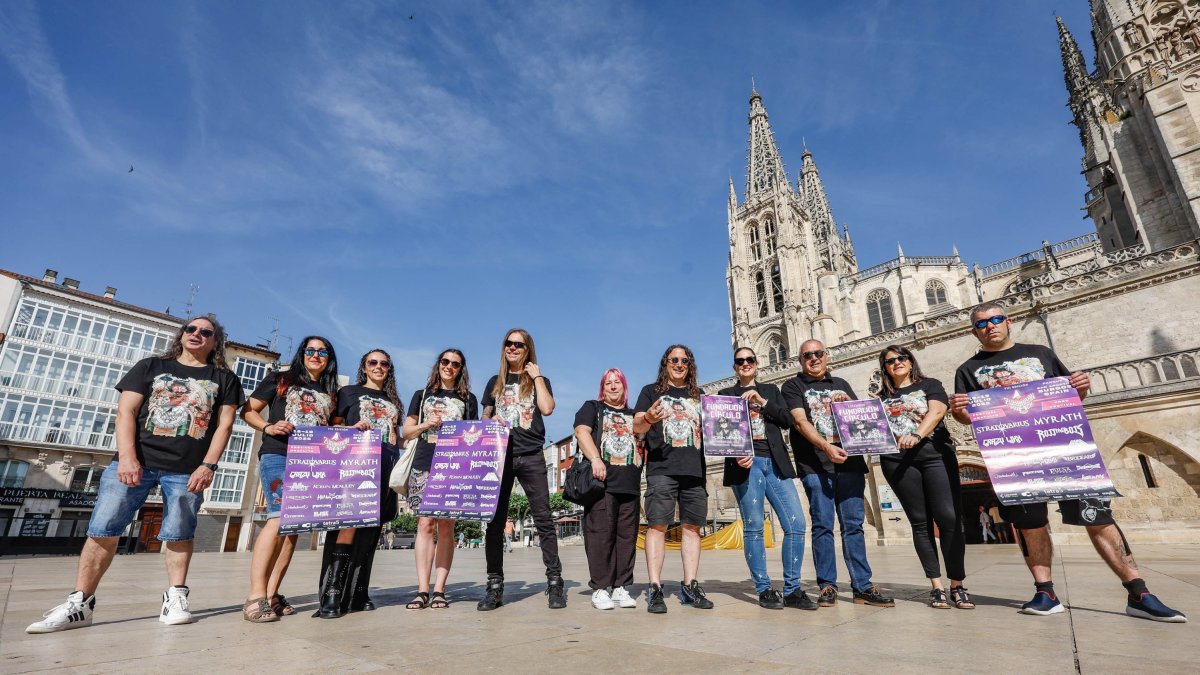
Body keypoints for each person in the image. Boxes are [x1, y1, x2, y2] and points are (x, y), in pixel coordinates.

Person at [950, 301, 1186, 622]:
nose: (990, 326)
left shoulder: (1041, 353)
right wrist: (960, 410)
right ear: (973, 331)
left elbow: (1069, 398)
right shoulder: (967, 370)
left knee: (1097, 517)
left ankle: (1139, 592)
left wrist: (1082, 387)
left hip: (1064, 449)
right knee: (1030, 524)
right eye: (982, 323)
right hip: (1015, 457)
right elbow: (967, 418)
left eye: (996, 319)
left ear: (1009, 321)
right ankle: (1045, 591)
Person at [27, 317, 244, 633]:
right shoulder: (150, 366)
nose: (196, 334)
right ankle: (80, 604)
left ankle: (175, 599)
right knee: (104, 528)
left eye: (206, 332)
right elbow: (125, 412)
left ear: (215, 342)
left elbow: (225, 426)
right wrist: (128, 458)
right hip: (136, 462)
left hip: (187, 468)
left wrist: (208, 465)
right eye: (191, 329)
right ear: (182, 335)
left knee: (180, 532)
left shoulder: (223, 379)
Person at [782, 339, 894, 608]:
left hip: (850, 464)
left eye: (818, 353)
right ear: (800, 360)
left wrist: (848, 406)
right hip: (816, 464)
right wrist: (825, 446)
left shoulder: (842, 384)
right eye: (807, 355)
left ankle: (862, 586)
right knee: (822, 526)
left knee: (853, 526)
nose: (814, 358)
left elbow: (858, 422)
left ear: (826, 356)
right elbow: (799, 421)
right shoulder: (793, 386)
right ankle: (827, 586)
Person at [241, 337, 339, 623]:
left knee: (292, 527)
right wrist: (268, 426)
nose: (316, 355)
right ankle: (254, 596)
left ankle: (272, 594)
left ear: (329, 358)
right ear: (302, 354)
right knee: (279, 516)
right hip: (278, 455)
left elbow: (334, 427)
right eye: (310, 350)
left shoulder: (330, 392)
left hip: (312, 462)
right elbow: (248, 410)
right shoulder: (281, 379)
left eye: (322, 352)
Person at [875, 345, 971, 610]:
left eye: (901, 358)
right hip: (897, 461)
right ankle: (937, 587)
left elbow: (938, 411)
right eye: (890, 361)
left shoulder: (930, 384)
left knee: (949, 518)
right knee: (920, 523)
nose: (897, 363)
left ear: (910, 360)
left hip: (934, 455)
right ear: (884, 367)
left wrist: (917, 435)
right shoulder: (880, 399)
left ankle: (957, 584)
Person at [721, 347, 814, 611]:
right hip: (745, 466)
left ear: (757, 363)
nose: (745, 364)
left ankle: (793, 588)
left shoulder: (772, 391)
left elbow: (787, 421)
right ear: (735, 367)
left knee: (796, 524)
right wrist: (737, 455)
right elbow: (719, 433)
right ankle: (763, 589)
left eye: (750, 359)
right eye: (740, 361)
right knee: (754, 527)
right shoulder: (726, 396)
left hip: (775, 463)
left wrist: (762, 402)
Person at [478, 329, 562, 611]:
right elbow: (484, 418)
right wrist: (490, 420)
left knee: (543, 518)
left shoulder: (538, 380)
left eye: (519, 344)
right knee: (494, 520)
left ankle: (554, 581)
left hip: (531, 454)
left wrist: (537, 376)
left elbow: (548, 408)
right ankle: (494, 584)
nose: (513, 348)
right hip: (500, 457)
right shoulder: (495, 381)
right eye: (509, 343)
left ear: (528, 350)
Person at [317, 348, 403, 618]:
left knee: (372, 528)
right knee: (348, 525)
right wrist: (351, 430)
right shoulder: (348, 393)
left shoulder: (394, 400)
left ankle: (358, 591)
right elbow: (331, 427)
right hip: (355, 464)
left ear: (389, 369)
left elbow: (397, 437)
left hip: (387, 464)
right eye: (372, 362)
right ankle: (332, 592)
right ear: (364, 367)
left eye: (384, 364)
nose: (378, 367)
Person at [634, 344, 712, 613]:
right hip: (661, 469)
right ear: (665, 363)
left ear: (690, 365)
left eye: (685, 360)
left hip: (694, 470)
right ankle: (655, 588)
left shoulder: (699, 395)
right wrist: (648, 417)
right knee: (657, 526)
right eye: (674, 360)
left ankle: (690, 586)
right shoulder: (650, 391)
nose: (679, 364)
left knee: (692, 528)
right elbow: (637, 425)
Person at [400, 349, 478, 610]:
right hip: (424, 462)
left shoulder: (469, 400)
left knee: (446, 526)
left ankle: (440, 590)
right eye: (445, 361)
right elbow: (407, 431)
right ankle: (422, 589)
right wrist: (427, 424)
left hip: (454, 467)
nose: (450, 367)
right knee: (425, 525)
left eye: (456, 364)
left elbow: (474, 437)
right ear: (438, 365)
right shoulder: (422, 395)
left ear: (461, 369)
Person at [575, 368, 642, 610]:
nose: (613, 386)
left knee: (627, 537)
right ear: (602, 389)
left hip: (630, 484)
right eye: (608, 383)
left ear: (624, 387)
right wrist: (595, 459)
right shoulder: (593, 407)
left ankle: (621, 587)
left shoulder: (634, 414)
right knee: (600, 536)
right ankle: (600, 588)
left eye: (618, 382)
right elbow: (582, 432)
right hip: (602, 483)